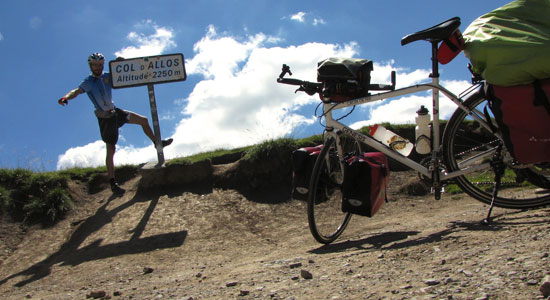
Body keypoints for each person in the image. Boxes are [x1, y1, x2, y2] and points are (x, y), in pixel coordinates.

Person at [58, 52, 173, 194]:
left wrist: (120, 63)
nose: (98, 67)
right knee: (111, 149)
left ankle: (157, 143)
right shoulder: (88, 82)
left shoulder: (107, 76)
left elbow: (120, 73)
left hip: (115, 112)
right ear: (90, 66)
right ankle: (112, 182)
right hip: (105, 118)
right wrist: (66, 97)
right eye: (95, 65)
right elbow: (76, 91)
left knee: (143, 120)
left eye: (100, 65)